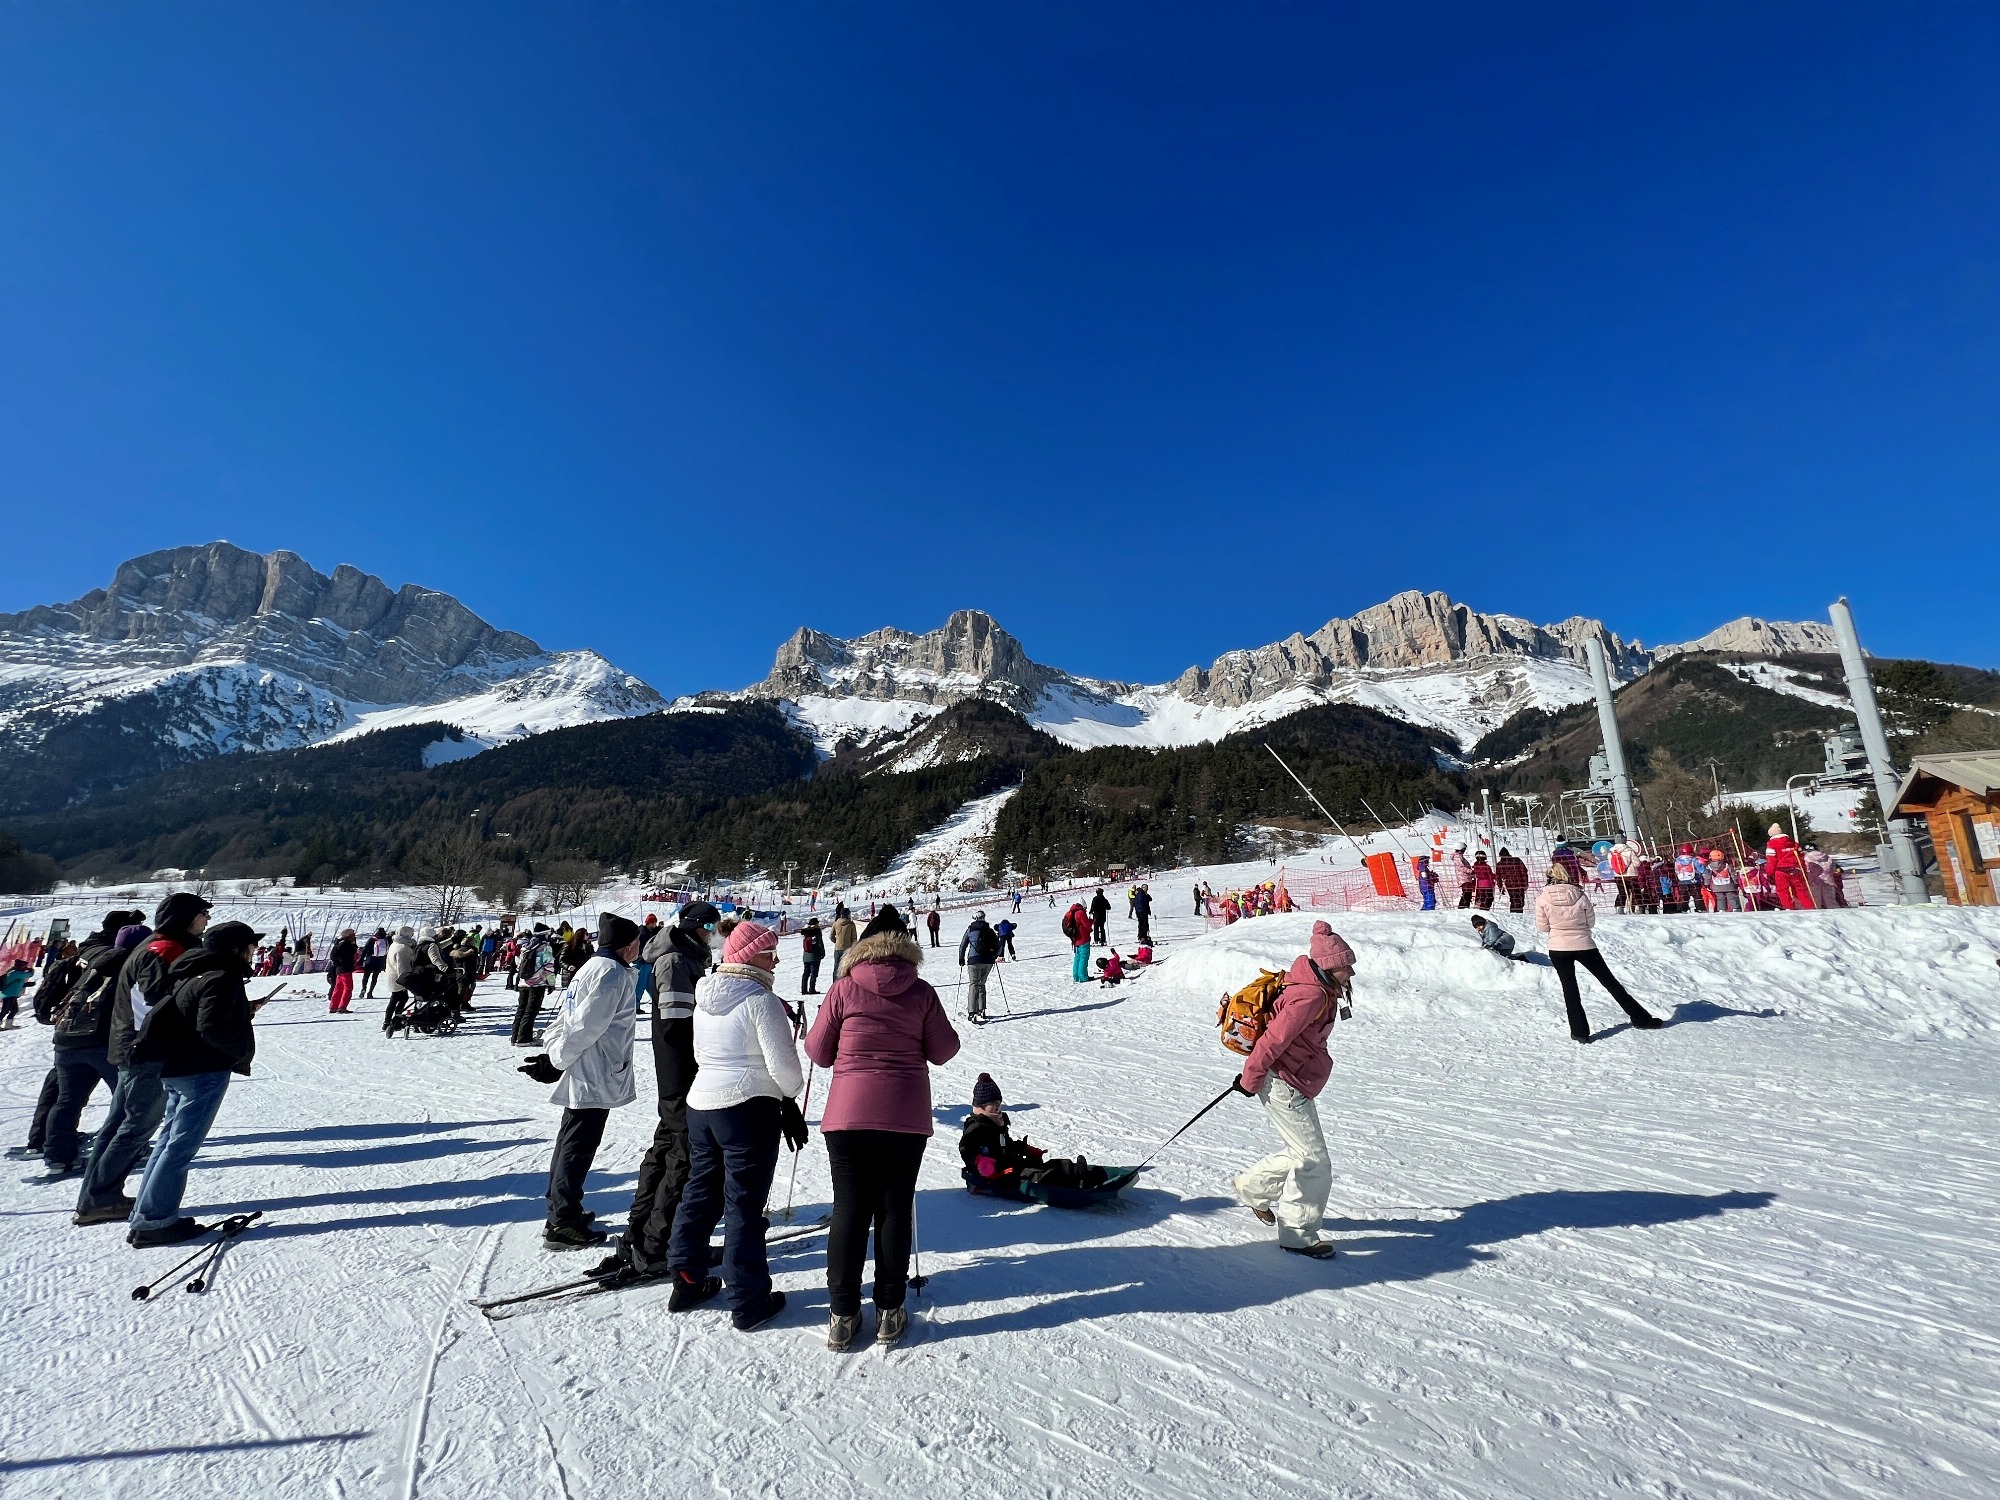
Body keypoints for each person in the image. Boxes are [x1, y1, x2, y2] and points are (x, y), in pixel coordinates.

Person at [803, 905, 961, 1351]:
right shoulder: (921, 991)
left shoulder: (843, 988)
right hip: (905, 1116)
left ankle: (842, 1314)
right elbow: (944, 1050)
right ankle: (890, 1309)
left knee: (849, 1210)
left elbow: (817, 1052)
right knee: (893, 1209)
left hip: (848, 1116)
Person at [664, 921, 803, 1332]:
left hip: (702, 1104)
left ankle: (686, 1277)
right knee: (743, 1204)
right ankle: (749, 1300)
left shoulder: (705, 996)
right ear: (748, 955)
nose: (775, 960)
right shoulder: (761, 999)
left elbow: (699, 1052)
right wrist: (789, 1095)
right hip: (747, 1109)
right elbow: (785, 1071)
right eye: (769, 953)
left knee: (700, 1190)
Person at [126, 921, 266, 1247]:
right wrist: (237, 1050)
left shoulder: (193, 972)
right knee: (179, 1148)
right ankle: (155, 1222)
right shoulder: (223, 976)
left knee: (168, 1143)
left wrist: (242, 1013)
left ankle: (145, 1216)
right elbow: (210, 1026)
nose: (254, 951)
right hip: (201, 1071)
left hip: (178, 1068)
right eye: (251, 945)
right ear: (236, 948)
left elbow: (195, 1016)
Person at [601, 900, 719, 1279]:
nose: (713, 935)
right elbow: (676, 1026)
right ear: (695, 927)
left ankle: (640, 1235)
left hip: (679, 1072)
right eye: (709, 927)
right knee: (680, 1154)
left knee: (667, 1148)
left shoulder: (684, 956)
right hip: (681, 1073)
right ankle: (656, 1243)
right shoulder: (676, 961)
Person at [1230, 921, 1354, 1259]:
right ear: (1328, 966)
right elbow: (1273, 1039)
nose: (1351, 972)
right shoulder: (1311, 995)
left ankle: (1252, 1188)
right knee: (1314, 1161)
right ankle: (1297, 1233)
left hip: (1292, 1079)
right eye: (1346, 965)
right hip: (1284, 1083)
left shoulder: (1319, 988)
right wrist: (1250, 1077)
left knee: (1302, 1152)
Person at [527, 913, 644, 1251]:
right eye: (637, 942)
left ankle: (563, 1208)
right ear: (626, 946)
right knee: (578, 1146)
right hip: (595, 1070)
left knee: (570, 1140)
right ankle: (562, 1222)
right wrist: (555, 1059)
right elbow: (584, 1026)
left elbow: (568, 1017)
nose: (639, 947)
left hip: (592, 1068)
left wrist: (554, 1053)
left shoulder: (594, 967)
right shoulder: (610, 973)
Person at [41, 920, 156, 1177]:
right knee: (126, 1100)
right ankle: (129, 1150)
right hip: (104, 1042)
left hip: (68, 1040)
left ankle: (58, 1156)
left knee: (68, 1099)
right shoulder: (135, 966)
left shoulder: (95, 963)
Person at [1535, 864, 1663, 1042]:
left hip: (1558, 947)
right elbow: (1591, 922)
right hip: (1584, 945)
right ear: (1567, 877)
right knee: (1610, 982)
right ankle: (1641, 1018)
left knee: (1570, 990)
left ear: (1549, 878)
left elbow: (1542, 927)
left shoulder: (1542, 898)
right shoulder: (1580, 895)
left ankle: (1580, 1032)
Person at [510, 926, 559, 1046]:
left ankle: (515, 1037)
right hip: (537, 983)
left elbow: (519, 964)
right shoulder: (545, 947)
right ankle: (524, 1039)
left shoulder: (526, 946)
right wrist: (551, 983)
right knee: (531, 1011)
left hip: (524, 982)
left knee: (521, 1009)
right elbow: (549, 967)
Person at [957, 911, 1001, 1024]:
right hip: (988, 961)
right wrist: (994, 956)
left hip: (974, 960)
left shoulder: (970, 930)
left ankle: (972, 1012)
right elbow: (998, 946)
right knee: (981, 983)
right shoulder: (989, 930)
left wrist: (961, 958)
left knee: (974, 984)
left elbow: (963, 945)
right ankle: (982, 1009)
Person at [382, 925, 422, 1034]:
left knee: (397, 999)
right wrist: (405, 981)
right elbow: (402, 966)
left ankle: (389, 1021)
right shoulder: (403, 948)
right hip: (399, 978)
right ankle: (393, 1020)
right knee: (397, 999)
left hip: (392, 975)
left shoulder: (395, 944)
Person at [1766, 825, 1813, 910]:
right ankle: (1810, 908)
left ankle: (1789, 909)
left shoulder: (1771, 844)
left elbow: (1771, 861)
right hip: (1796, 869)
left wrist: (1769, 874)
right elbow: (1801, 857)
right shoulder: (1793, 843)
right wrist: (1803, 870)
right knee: (1801, 891)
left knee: (1783, 892)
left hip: (1780, 871)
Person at [326, 928, 359, 1014]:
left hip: (339, 969)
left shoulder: (339, 943)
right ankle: (342, 1007)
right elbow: (350, 953)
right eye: (353, 935)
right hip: (345, 968)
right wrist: (354, 944)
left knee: (338, 988)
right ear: (348, 936)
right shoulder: (346, 944)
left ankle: (334, 1006)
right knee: (348, 988)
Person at [1063, 901, 1092, 982]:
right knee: (1083, 957)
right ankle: (1083, 977)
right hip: (1083, 938)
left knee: (1077, 958)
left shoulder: (1073, 912)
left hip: (1076, 939)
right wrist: (1092, 920)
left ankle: (1076, 976)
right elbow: (1087, 925)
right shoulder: (1081, 913)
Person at [828, 905, 858, 982]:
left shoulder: (836, 923)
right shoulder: (851, 924)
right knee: (847, 967)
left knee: (836, 968)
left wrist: (836, 942)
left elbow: (831, 936)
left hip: (838, 949)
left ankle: (835, 984)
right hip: (848, 949)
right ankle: (845, 983)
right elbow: (854, 938)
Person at [1495, 849, 1530, 913]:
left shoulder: (1500, 864)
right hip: (1519, 884)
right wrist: (1525, 883)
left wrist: (1500, 887)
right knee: (1520, 901)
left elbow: (1498, 877)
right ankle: (1518, 913)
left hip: (1510, 885)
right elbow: (1524, 872)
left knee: (1513, 900)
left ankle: (1514, 914)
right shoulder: (1517, 860)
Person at [0, 960, 32, 1028]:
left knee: (13, 1010)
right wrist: (30, 970)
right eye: (24, 966)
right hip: (8, 994)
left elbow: (16, 983)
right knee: (5, 1010)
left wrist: (26, 984)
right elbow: (29, 974)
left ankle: (8, 1025)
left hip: (11, 994)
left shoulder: (15, 973)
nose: (25, 968)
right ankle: (6, 1024)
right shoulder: (16, 973)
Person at [799, 917, 826, 995]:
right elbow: (820, 943)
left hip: (806, 956)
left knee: (806, 973)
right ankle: (812, 989)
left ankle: (804, 989)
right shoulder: (817, 931)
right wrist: (822, 953)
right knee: (814, 973)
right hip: (815, 956)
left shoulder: (805, 932)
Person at [360, 928, 389, 998]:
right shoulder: (386, 940)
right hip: (380, 960)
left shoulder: (372, 940)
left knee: (366, 976)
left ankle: (363, 989)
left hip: (370, 960)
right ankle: (370, 992)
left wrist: (361, 959)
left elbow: (365, 950)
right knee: (375, 977)